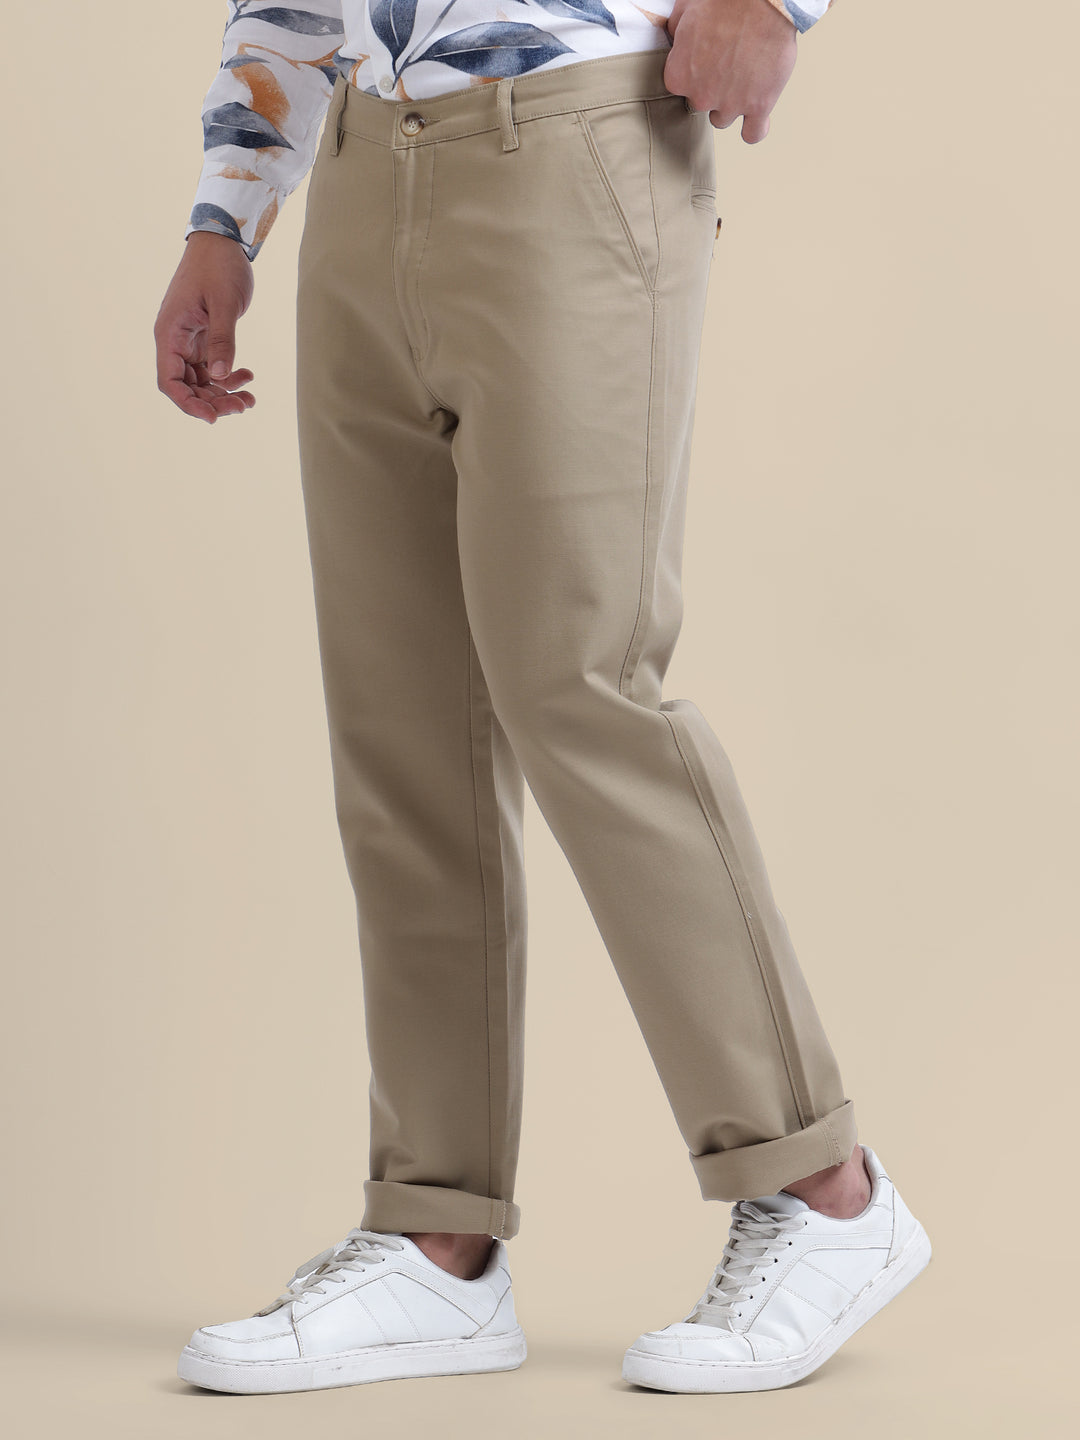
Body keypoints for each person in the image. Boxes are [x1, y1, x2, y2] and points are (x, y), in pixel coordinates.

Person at [156, 0, 932, 1398]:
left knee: (583, 687)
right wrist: (229, 213)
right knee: (400, 729)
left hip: (579, 139)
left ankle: (825, 1191)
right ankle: (436, 1238)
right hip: (361, 161)